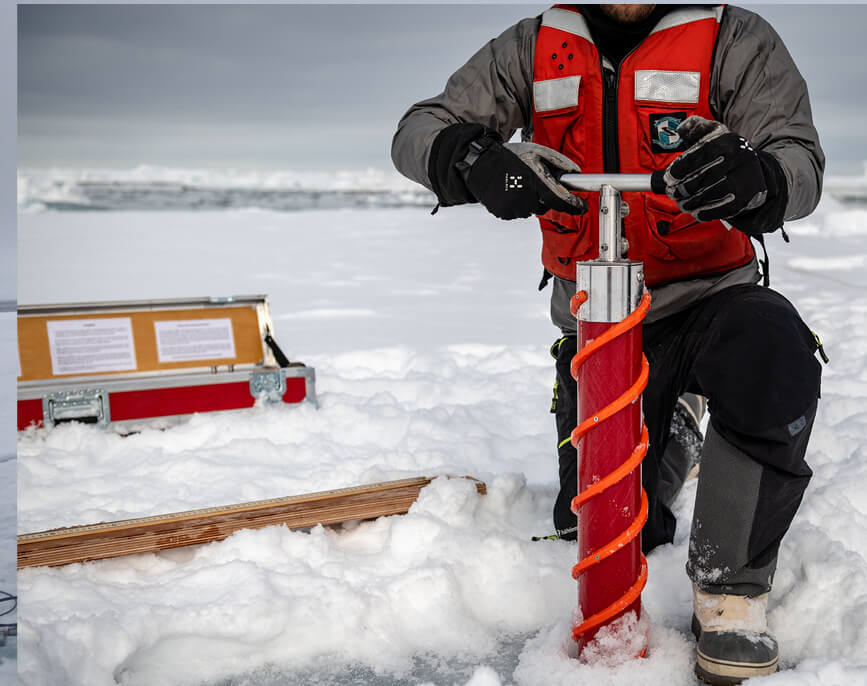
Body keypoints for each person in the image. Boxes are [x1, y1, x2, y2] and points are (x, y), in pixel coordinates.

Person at [392, 4, 826, 684]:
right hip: (594, 314)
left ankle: (729, 593)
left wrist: (759, 178)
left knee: (771, 350)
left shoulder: (732, 37)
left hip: (710, 298)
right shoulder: (532, 45)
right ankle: (672, 429)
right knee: (600, 527)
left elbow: (796, 157)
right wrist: (472, 159)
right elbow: (420, 130)